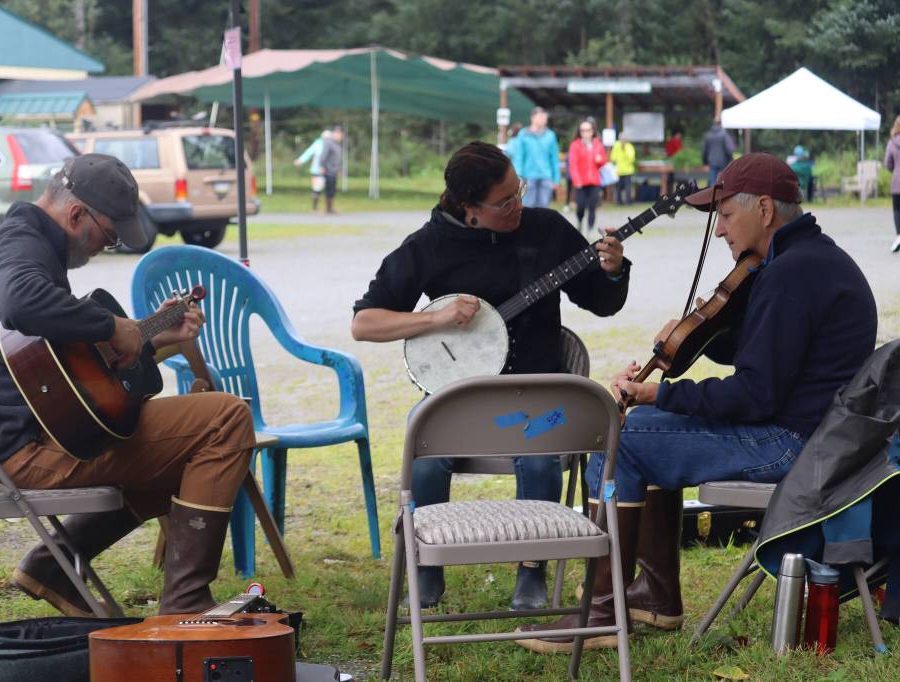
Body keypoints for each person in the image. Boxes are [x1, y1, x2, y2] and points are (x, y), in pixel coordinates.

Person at [516, 153, 877, 653]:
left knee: (622, 434)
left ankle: (599, 613)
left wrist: (658, 391)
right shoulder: (809, 260)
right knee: (651, 427)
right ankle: (656, 596)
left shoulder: (791, 274)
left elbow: (754, 395)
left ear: (766, 210)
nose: (721, 232)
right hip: (816, 439)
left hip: (790, 445)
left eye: (727, 216)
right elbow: (768, 353)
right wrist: (694, 347)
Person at [0, 154, 256, 617]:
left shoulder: (33, 245)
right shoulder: (17, 243)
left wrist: (150, 336)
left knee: (190, 456)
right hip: (26, 450)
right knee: (227, 418)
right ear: (76, 214)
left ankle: (54, 564)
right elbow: (19, 302)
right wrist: (109, 325)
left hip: (39, 433)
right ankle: (185, 603)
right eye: (109, 235)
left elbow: (58, 369)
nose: (108, 245)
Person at [352, 141, 630, 611]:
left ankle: (531, 570)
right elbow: (364, 323)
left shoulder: (546, 230)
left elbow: (603, 302)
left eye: (517, 190)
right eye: (504, 201)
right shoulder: (431, 244)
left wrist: (614, 269)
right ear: (469, 209)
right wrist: (433, 320)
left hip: (537, 392)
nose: (517, 205)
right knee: (422, 455)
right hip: (460, 396)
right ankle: (425, 568)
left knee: (541, 461)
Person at [509, 107, 561, 208]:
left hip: (546, 176)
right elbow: (519, 157)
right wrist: (518, 177)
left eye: (545, 117)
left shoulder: (550, 135)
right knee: (528, 207)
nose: (543, 119)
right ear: (532, 118)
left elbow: (554, 158)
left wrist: (556, 178)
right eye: (541, 117)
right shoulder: (523, 134)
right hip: (528, 177)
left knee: (543, 208)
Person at [568, 118, 608, 234]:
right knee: (580, 206)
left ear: (592, 131)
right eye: (583, 130)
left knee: (592, 207)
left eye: (588, 130)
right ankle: (580, 221)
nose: (585, 133)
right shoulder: (575, 145)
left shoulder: (598, 144)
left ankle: (589, 230)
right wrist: (577, 180)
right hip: (581, 182)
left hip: (594, 181)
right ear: (580, 132)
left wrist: (600, 160)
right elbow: (573, 165)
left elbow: (603, 162)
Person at [294, 129, 330, 211]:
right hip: (317, 171)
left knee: (329, 189)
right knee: (317, 189)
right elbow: (309, 152)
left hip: (329, 171)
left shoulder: (332, 145)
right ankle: (315, 207)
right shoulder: (318, 144)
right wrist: (300, 160)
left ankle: (329, 208)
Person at [883, 115, 900, 253]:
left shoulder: (892, 143)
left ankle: (899, 236)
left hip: (897, 183)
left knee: (897, 210)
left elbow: (887, 163)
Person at [702, 118, 735, 187]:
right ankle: (722, 196)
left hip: (712, 161)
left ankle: (712, 196)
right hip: (723, 161)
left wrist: (705, 162)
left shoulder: (708, 135)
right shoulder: (724, 134)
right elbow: (729, 149)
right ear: (720, 124)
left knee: (712, 182)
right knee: (723, 181)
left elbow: (705, 150)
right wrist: (731, 159)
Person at [319, 126, 344, 214]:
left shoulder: (337, 144)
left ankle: (330, 208)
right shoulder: (329, 143)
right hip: (328, 170)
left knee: (333, 189)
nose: (340, 136)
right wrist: (321, 166)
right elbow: (323, 156)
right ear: (334, 134)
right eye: (338, 134)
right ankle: (328, 208)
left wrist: (339, 169)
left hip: (334, 170)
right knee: (329, 189)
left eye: (340, 134)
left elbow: (336, 159)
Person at [609, 131, 636, 205]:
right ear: (619, 138)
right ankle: (618, 202)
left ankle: (628, 202)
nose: (623, 140)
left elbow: (632, 159)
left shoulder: (629, 146)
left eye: (624, 138)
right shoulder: (616, 145)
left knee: (628, 188)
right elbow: (613, 158)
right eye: (621, 138)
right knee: (618, 188)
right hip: (618, 171)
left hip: (628, 171)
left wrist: (624, 150)